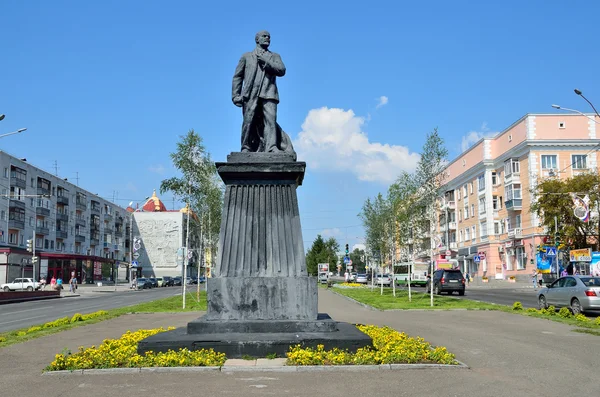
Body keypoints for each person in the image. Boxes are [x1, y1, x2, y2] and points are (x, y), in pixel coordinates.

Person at [232, 31, 295, 157]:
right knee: (248, 121)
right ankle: (246, 147)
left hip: (269, 93)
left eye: (269, 37)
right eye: (264, 36)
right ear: (257, 39)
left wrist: (267, 61)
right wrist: (235, 95)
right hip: (250, 94)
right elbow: (237, 77)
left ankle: (271, 147)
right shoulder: (247, 56)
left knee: (270, 121)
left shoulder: (274, 56)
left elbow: (281, 70)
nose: (267, 38)